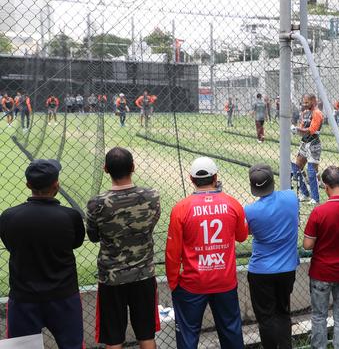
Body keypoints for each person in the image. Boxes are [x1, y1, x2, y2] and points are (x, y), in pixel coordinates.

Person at [0, 159, 85, 348]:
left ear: (28, 185)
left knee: (22, 347)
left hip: (24, 299)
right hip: (64, 296)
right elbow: (76, 243)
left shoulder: (8, 216)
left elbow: (10, 244)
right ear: (56, 184)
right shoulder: (70, 216)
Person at [166, 157, 247, 349]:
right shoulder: (232, 204)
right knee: (231, 331)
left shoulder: (181, 208)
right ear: (215, 177)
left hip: (192, 283)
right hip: (225, 281)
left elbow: (172, 252)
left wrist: (173, 282)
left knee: (188, 335)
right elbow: (242, 237)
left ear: (191, 179)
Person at [86, 147, 161, 349]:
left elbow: (92, 236)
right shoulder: (152, 196)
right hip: (143, 274)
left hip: (112, 278)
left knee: (114, 337)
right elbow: (150, 225)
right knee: (146, 334)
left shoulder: (97, 204)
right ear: (133, 167)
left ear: (105, 169)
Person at [304, 166, 339, 349]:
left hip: (321, 272)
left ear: (326, 186)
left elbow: (307, 245)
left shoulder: (319, 212)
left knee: (319, 316)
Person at [244, 164, 299, 348]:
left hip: (261, 271)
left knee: (266, 318)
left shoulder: (250, 211)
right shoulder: (291, 198)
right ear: (273, 182)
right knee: (283, 313)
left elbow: (246, 233)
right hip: (287, 269)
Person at [291, 93, 324, 204]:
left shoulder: (317, 113)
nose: (304, 104)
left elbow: (311, 130)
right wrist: (296, 130)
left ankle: (315, 198)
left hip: (314, 144)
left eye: (307, 102)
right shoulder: (305, 113)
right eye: (303, 102)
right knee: (296, 168)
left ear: (314, 101)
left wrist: (297, 130)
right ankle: (305, 193)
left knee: (311, 171)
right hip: (304, 143)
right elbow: (302, 128)